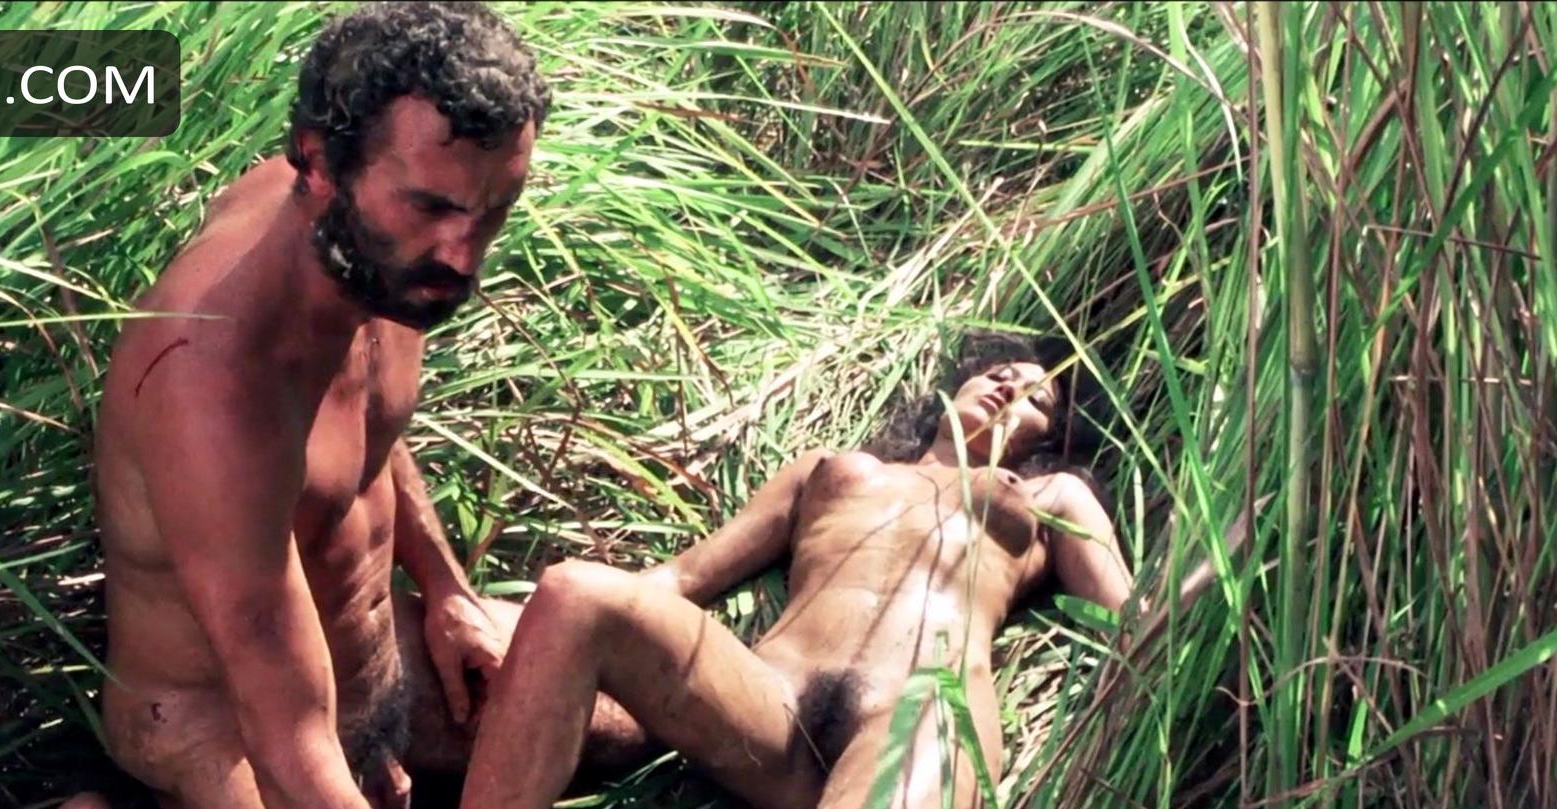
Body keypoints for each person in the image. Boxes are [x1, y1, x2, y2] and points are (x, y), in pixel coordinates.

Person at [73, 4, 643, 808]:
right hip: (232, 728)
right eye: (433, 207)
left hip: (375, 665)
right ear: (317, 162)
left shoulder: (381, 259)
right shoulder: (210, 382)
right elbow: (284, 719)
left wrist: (447, 591)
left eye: (493, 211)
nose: (463, 256)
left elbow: (361, 434)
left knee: (635, 710)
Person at [457, 330, 1139, 809]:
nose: (1008, 388)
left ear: (1049, 439)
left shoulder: (1048, 497)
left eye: (1035, 398)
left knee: (923, 728)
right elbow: (679, 581)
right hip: (767, 706)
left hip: (916, 712)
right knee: (576, 590)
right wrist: (517, 635)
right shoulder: (834, 470)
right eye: (1000, 374)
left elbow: (1134, 623)